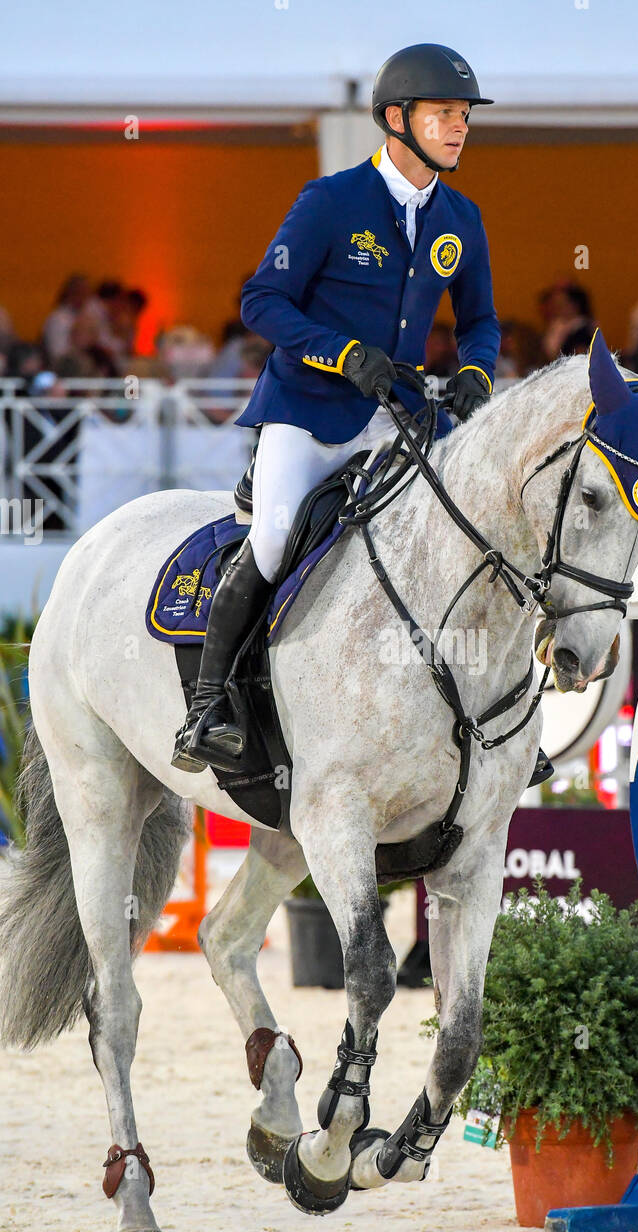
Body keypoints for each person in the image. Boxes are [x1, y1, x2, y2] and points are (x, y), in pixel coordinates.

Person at [172, 43, 502, 775]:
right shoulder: (330, 202)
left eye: (464, 116)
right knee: (277, 536)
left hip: (399, 411)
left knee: (464, 533)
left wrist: (477, 370)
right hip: (309, 407)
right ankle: (209, 706)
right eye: (445, 114)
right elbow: (262, 300)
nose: (459, 127)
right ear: (397, 118)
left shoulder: (461, 218)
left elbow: (480, 320)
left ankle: (484, 714)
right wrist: (342, 353)